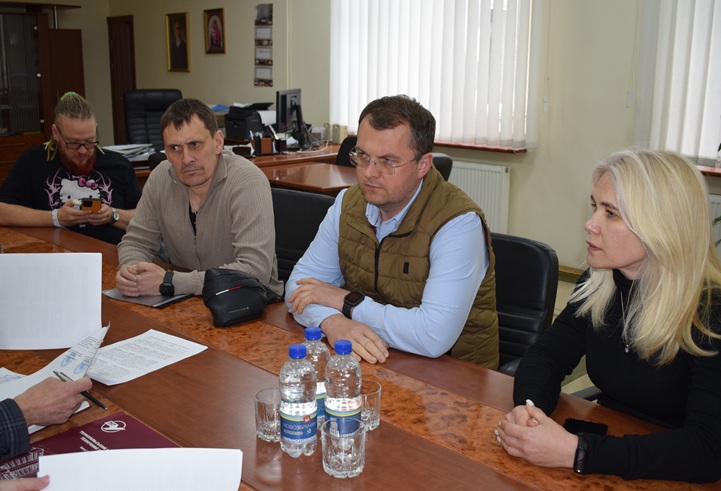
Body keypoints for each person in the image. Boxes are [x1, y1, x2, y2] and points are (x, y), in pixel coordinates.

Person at [495, 149, 721, 482]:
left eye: (611, 213)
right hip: (618, 447)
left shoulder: (710, 311)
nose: (590, 224)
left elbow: (707, 449)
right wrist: (530, 410)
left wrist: (579, 451)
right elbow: (546, 357)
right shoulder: (600, 283)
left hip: (674, 470)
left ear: (661, 227)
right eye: (595, 207)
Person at [285, 95, 499, 368]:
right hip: (375, 362)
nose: (369, 173)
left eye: (387, 161)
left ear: (423, 165)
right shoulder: (348, 203)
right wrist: (332, 321)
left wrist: (345, 302)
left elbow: (432, 336)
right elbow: (297, 288)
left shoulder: (458, 223)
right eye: (363, 156)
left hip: (454, 377)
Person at [115, 98, 283, 298]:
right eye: (175, 148)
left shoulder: (247, 181)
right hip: (186, 300)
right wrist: (133, 273)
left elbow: (255, 271)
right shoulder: (160, 177)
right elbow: (136, 242)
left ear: (218, 142)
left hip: (250, 302)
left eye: (195, 144)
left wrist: (171, 282)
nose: (186, 159)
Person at [0, 92, 141, 245]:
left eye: (89, 141)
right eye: (73, 143)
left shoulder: (119, 165)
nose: (82, 151)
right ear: (56, 133)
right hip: (56, 252)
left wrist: (112, 215)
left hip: (112, 252)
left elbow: (145, 220)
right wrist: (56, 217)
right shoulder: (34, 161)